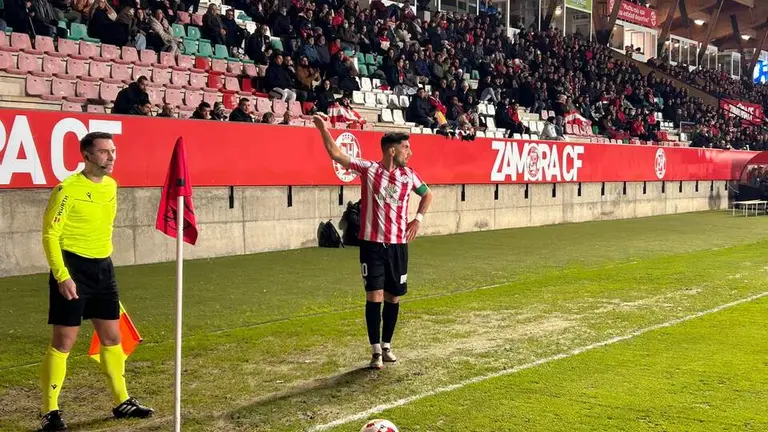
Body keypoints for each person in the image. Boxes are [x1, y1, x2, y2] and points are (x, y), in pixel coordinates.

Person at [39, 132, 154, 431]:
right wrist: (62, 275)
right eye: (104, 152)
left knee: (113, 339)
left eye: (113, 151)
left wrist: (102, 265)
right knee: (64, 342)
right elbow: (50, 235)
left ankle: (122, 401)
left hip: (104, 269)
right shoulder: (66, 190)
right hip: (73, 269)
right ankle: (50, 412)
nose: (111, 157)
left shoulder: (112, 186)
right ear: (87, 156)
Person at [312, 113, 434, 369]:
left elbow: (428, 195)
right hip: (373, 246)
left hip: (399, 245)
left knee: (394, 297)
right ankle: (375, 350)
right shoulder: (369, 170)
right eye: (406, 147)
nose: (409, 152)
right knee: (374, 295)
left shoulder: (409, 176)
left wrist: (418, 219)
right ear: (392, 150)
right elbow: (336, 155)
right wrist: (324, 129)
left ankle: (388, 345)